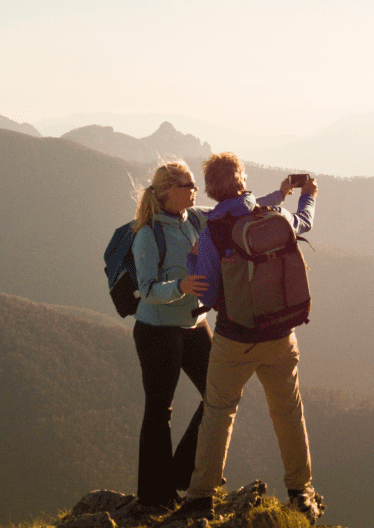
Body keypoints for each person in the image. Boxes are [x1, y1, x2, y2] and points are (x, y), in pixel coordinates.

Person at [129, 159, 293, 511]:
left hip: (192, 324)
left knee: (216, 397)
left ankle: (182, 475)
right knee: (160, 411)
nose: (195, 191)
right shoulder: (147, 234)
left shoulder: (197, 218)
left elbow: (241, 206)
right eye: (188, 185)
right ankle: (154, 496)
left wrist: (281, 194)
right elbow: (146, 289)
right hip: (157, 329)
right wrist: (181, 285)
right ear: (169, 191)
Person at [177, 152, 324, 524]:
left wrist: (194, 260)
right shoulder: (273, 217)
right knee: (288, 412)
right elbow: (303, 222)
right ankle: (300, 491)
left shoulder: (213, 232)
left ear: (210, 190)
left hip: (234, 339)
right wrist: (307, 196)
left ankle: (200, 497)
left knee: (218, 414)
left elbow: (207, 295)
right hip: (281, 335)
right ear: (242, 179)